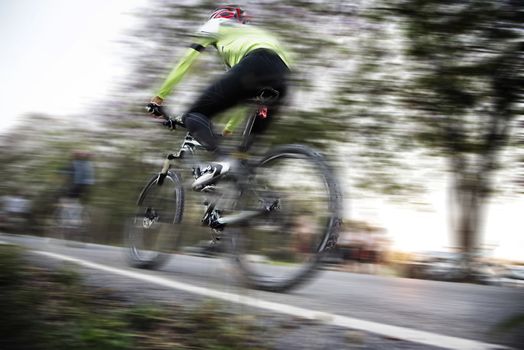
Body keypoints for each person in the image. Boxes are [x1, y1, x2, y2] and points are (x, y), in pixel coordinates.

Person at [146, 5, 291, 189]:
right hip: (283, 77)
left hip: (256, 64)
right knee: (242, 159)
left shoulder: (215, 24)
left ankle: (224, 161)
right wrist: (229, 130)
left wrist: (159, 97)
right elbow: (242, 99)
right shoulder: (247, 38)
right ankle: (256, 203)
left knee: (194, 115)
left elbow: (186, 61)